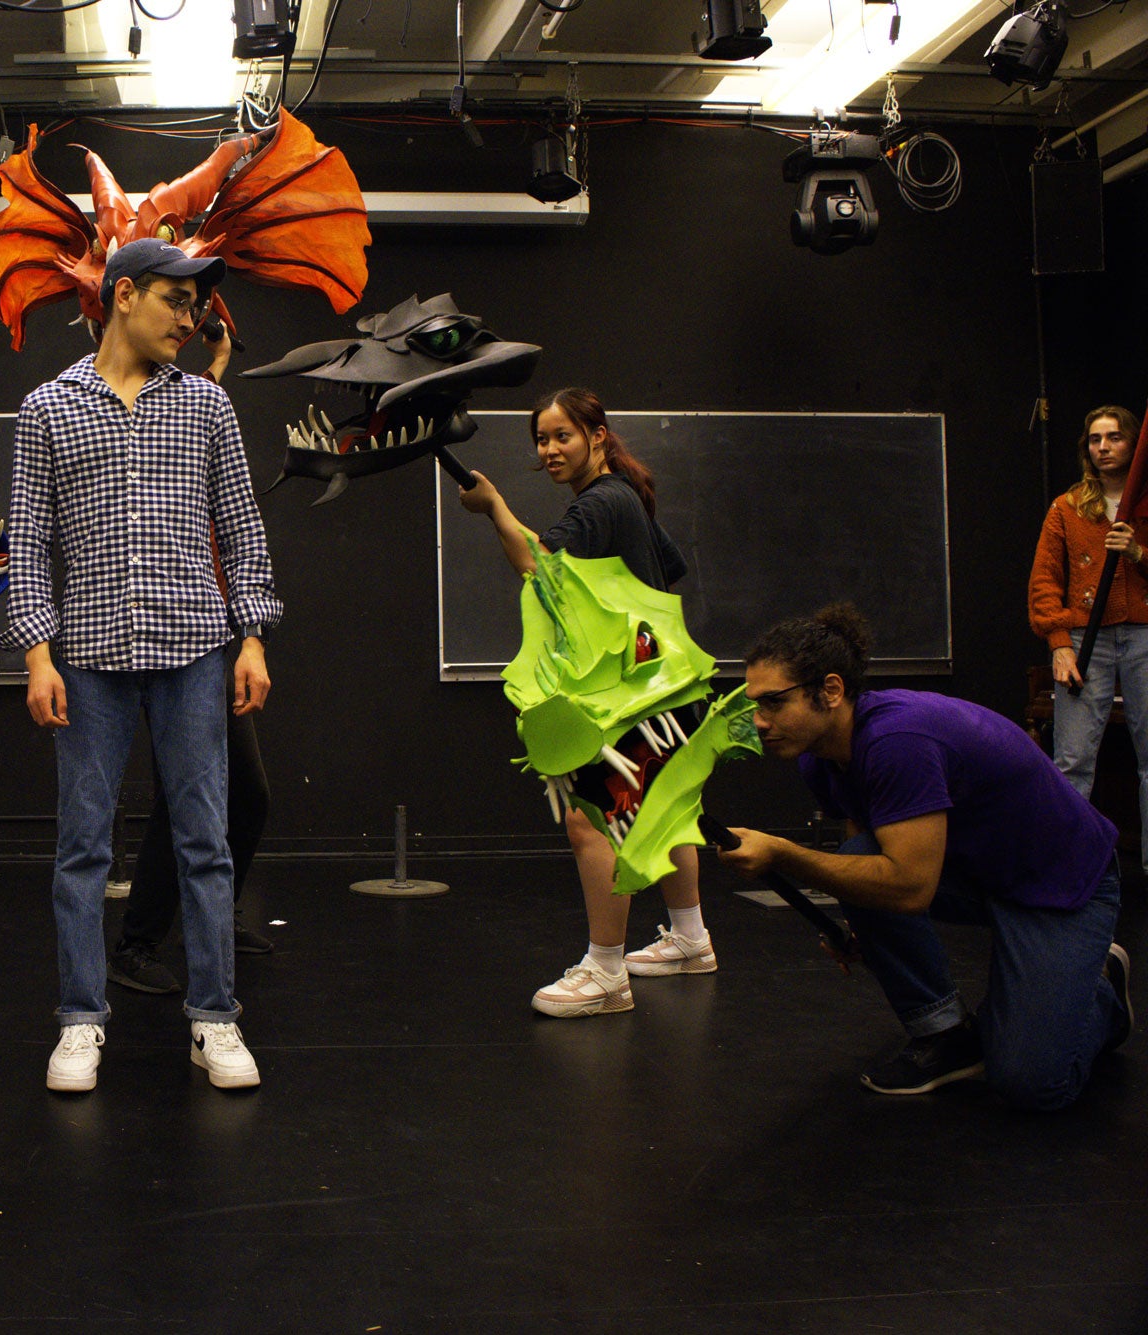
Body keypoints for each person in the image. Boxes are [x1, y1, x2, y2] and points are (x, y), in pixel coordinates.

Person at [0, 238, 282, 1092]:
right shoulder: (47, 407)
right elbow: (30, 540)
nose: (188, 319)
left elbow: (240, 523)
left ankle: (215, 1018)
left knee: (205, 842)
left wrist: (255, 633)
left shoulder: (206, 407)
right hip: (85, 657)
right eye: (175, 300)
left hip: (194, 648)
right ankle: (81, 1021)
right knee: (84, 846)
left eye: (196, 306)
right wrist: (36, 652)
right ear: (124, 296)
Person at [721, 604, 1133, 1110]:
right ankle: (946, 1034)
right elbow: (864, 841)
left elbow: (910, 888)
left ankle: (1100, 989)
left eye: (774, 703)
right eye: (753, 706)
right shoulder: (819, 755)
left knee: (1033, 1084)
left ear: (829, 691)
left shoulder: (899, 741)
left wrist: (784, 853)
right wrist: (863, 922)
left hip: (1062, 886)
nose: (759, 722)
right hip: (979, 870)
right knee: (858, 861)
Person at [457, 387, 707, 1018]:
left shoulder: (601, 501)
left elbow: (542, 574)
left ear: (597, 435)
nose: (549, 450)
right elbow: (666, 567)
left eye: (561, 435)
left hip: (634, 690)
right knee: (667, 811)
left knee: (591, 818)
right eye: (540, 439)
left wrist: (495, 509)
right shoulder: (624, 498)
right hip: (665, 681)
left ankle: (606, 973)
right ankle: (690, 939)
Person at [107, 322, 275, 996]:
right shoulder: (115, 416)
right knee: (187, 799)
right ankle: (136, 943)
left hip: (201, 635)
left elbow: (194, 401)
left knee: (245, 796)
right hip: (142, 636)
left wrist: (222, 357)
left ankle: (214, 914)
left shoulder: (196, 416)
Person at [1028, 404, 1148, 866]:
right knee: (1073, 762)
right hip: (1085, 642)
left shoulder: (1146, 506)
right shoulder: (1068, 507)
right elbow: (1043, 583)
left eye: (1114, 437)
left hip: (1144, 637)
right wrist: (1059, 644)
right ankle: (1066, 866)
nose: (1104, 447)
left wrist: (1137, 552)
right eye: (1095, 439)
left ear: (1134, 445)